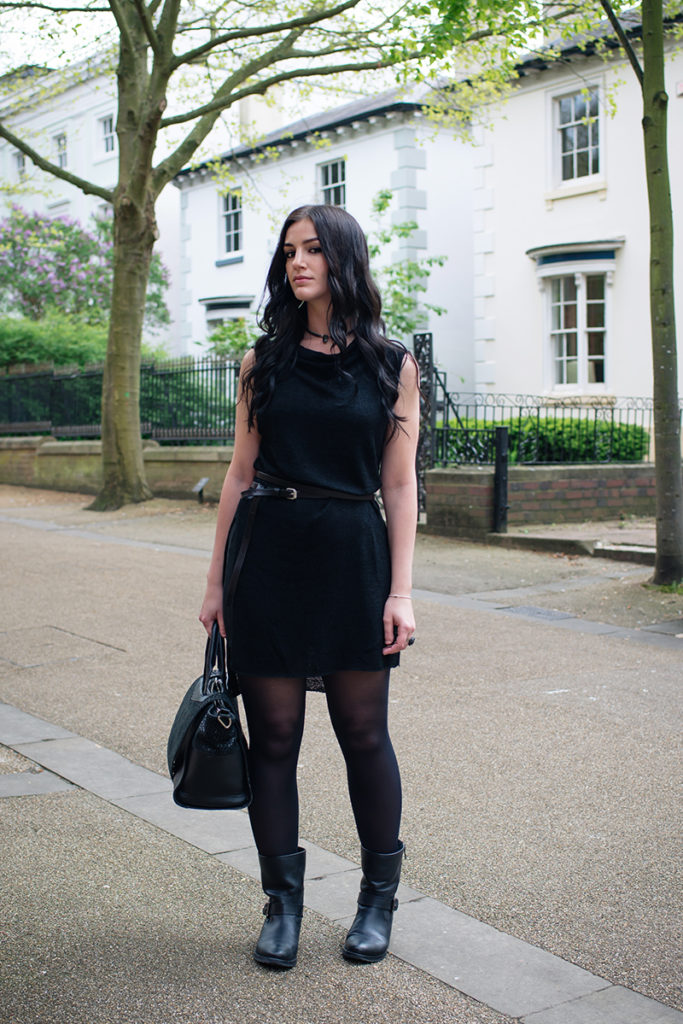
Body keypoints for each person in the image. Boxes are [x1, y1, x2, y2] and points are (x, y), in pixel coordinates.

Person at [199, 204, 419, 970]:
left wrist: (401, 591)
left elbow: (400, 486)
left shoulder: (392, 363)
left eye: (314, 249)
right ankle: (282, 903)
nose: (298, 262)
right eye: (289, 251)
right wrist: (217, 584)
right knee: (276, 739)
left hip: (354, 561)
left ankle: (376, 900)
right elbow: (238, 473)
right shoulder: (265, 362)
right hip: (270, 560)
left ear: (344, 259)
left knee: (363, 734)